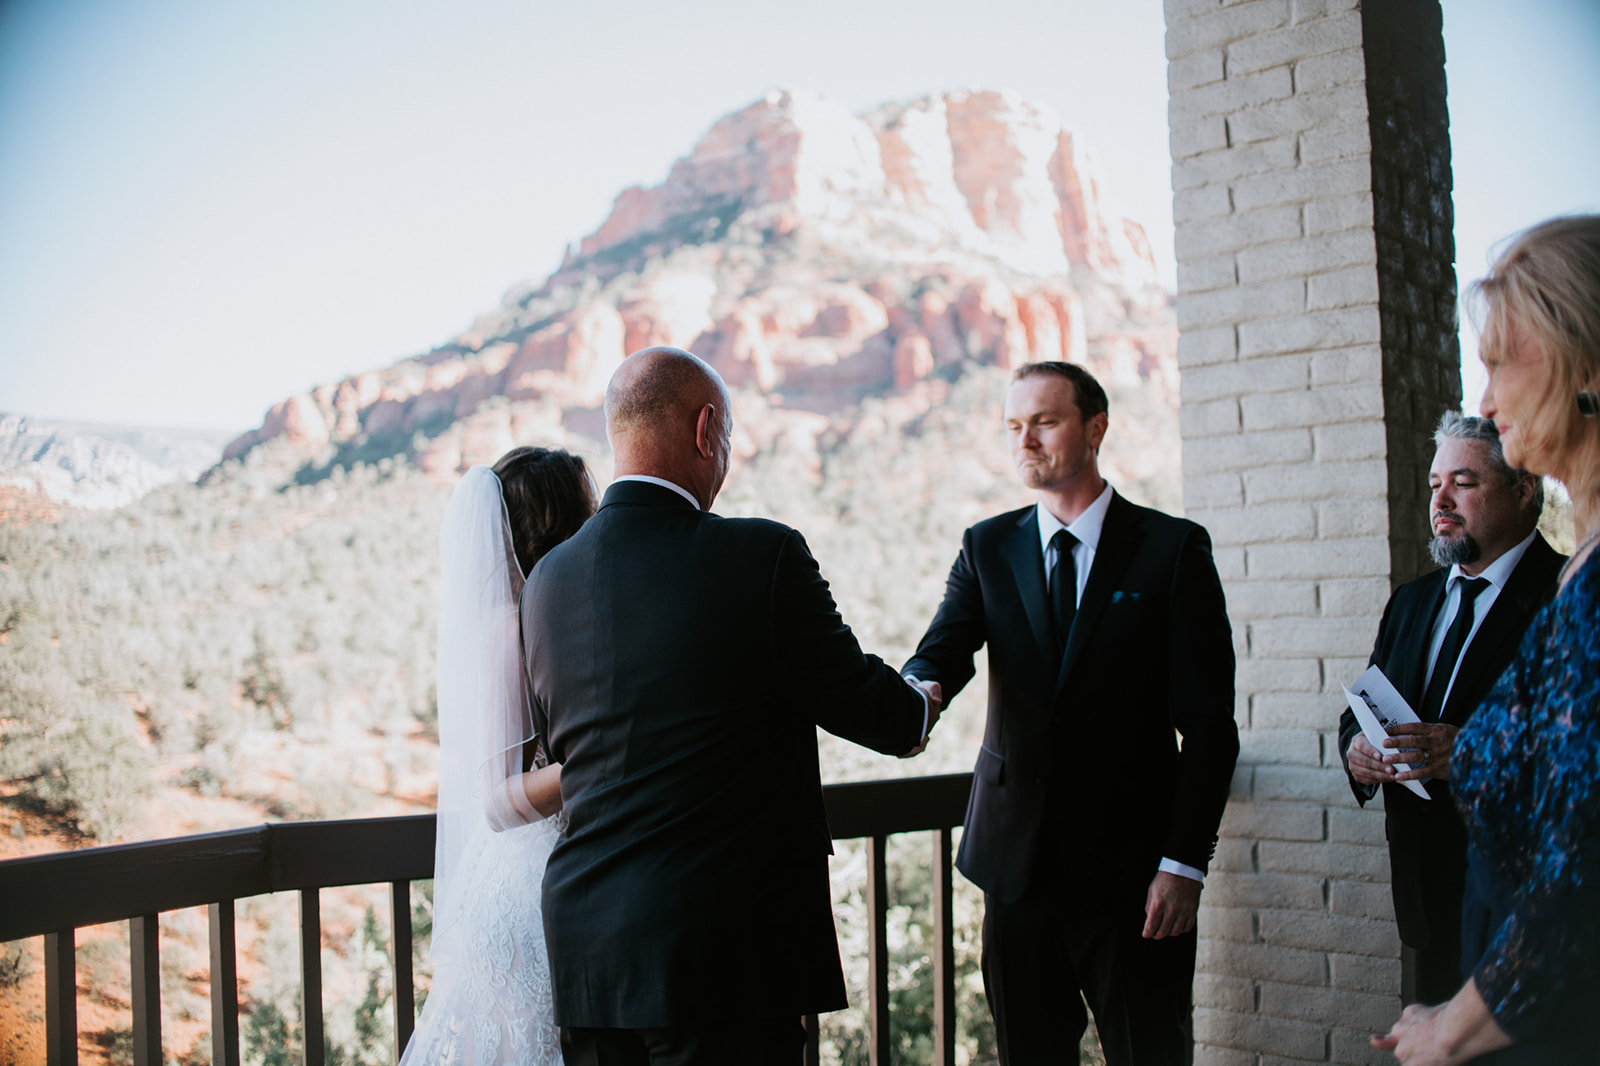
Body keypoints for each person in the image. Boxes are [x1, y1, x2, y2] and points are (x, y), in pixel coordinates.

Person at [520, 346, 940, 1065]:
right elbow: (881, 716)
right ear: (706, 428)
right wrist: (923, 697)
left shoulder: (546, 581)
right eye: (732, 438)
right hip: (724, 960)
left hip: (588, 952)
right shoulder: (762, 556)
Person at [902, 361, 1239, 1065]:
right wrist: (904, 702)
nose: (1025, 440)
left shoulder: (1172, 550)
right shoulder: (986, 545)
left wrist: (1184, 866)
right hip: (1014, 874)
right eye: (1014, 426)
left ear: (1096, 428)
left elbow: (1209, 725)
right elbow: (940, 656)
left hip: (1136, 882)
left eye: (1044, 422)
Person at [1374, 215, 1600, 1063]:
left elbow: (1581, 877)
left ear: (1589, 364)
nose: (1490, 399)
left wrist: (1448, 1033)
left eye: (1504, 362)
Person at [1338, 413, 1562, 1007]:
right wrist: (1357, 754)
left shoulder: (1570, 595)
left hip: (1529, 908)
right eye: (1436, 483)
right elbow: (1359, 711)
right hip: (1426, 901)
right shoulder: (1410, 602)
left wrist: (1474, 752)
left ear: (1523, 489)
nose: (1440, 498)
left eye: (1463, 482)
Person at [400, 446, 596, 1066]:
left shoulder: (547, 616)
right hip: (525, 901)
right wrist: (604, 761)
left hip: (558, 888)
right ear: (555, 526)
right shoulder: (504, 626)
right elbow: (497, 802)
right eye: (588, 512)